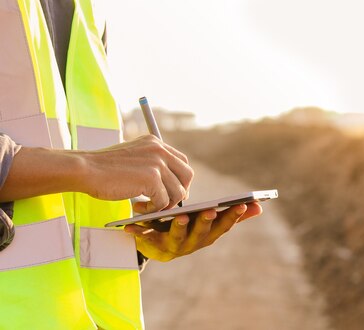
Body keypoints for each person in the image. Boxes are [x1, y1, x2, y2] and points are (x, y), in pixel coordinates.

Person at [0, 0, 262, 328]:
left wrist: (135, 238)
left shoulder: (87, 12)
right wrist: (88, 167)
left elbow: (63, 201)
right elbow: (86, 168)